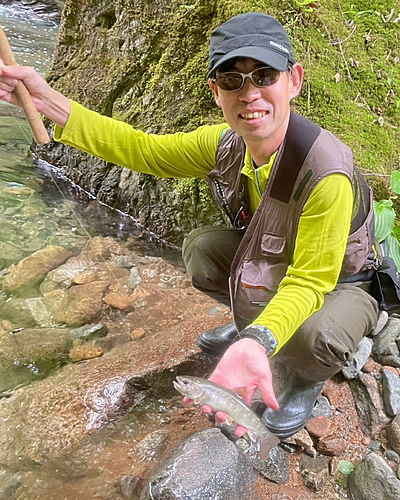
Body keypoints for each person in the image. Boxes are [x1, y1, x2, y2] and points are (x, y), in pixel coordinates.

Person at [0, 12, 381, 440]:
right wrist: (47, 100)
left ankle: (307, 379)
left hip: (345, 284)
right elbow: (143, 149)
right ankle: (250, 324)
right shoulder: (224, 144)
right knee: (201, 249)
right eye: (232, 80)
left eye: (264, 75)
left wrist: (258, 341)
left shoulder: (325, 172)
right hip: (279, 261)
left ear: (293, 80)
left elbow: (310, 281)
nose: (250, 93)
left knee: (314, 335)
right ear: (216, 92)